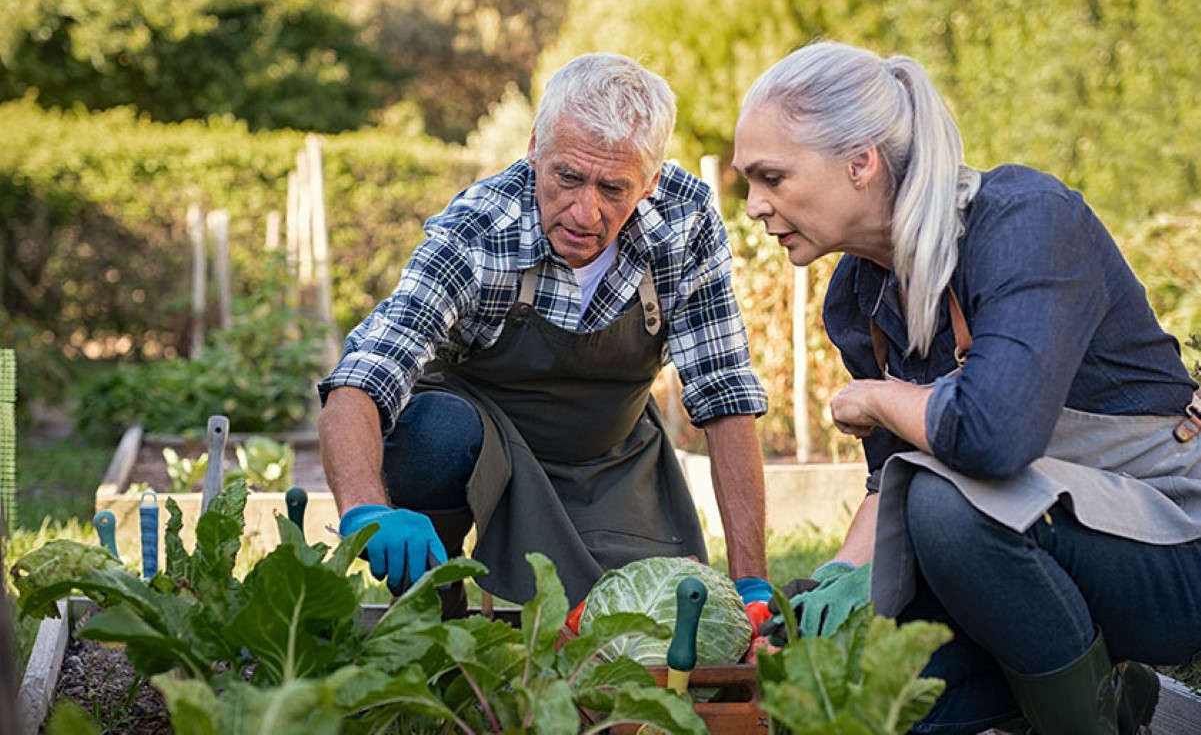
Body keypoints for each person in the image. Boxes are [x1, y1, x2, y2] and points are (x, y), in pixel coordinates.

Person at [733, 40, 1201, 734]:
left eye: (771, 177)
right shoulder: (855, 296)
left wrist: (875, 397)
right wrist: (833, 586)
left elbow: (992, 434)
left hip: (1170, 549)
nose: (752, 206)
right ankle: (1140, 707)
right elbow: (890, 478)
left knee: (946, 507)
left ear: (859, 163)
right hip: (1024, 553)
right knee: (875, 702)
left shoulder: (1025, 223)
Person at [318, 53, 771, 619]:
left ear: (651, 181)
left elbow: (724, 393)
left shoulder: (685, 220)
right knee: (433, 435)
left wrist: (753, 584)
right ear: (535, 148)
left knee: (632, 629)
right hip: (483, 447)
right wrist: (367, 510)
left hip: (611, 457)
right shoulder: (481, 229)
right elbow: (364, 374)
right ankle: (429, 613)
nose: (585, 212)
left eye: (613, 188)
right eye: (567, 177)